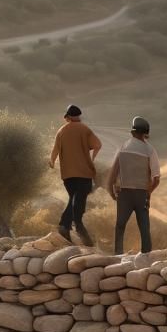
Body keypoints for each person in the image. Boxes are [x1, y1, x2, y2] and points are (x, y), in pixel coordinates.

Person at [49, 104, 101, 246]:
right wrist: (92, 159)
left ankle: (68, 226)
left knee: (74, 198)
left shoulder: (61, 131)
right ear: (78, 116)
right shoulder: (84, 129)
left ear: (67, 117)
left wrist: (52, 162)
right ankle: (73, 226)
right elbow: (98, 145)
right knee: (79, 200)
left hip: (67, 175)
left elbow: (54, 152)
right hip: (83, 172)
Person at [108, 116, 160, 255]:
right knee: (144, 227)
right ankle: (146, 255)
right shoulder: (150, 150)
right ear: (146, 133)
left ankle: (118, 254)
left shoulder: (123, 147)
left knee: (120, 225)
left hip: (124, 193)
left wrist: (111, 190)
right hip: (141, 193)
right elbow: (156, 179)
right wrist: (148, 192)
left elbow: (113, 174)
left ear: (132, 132)